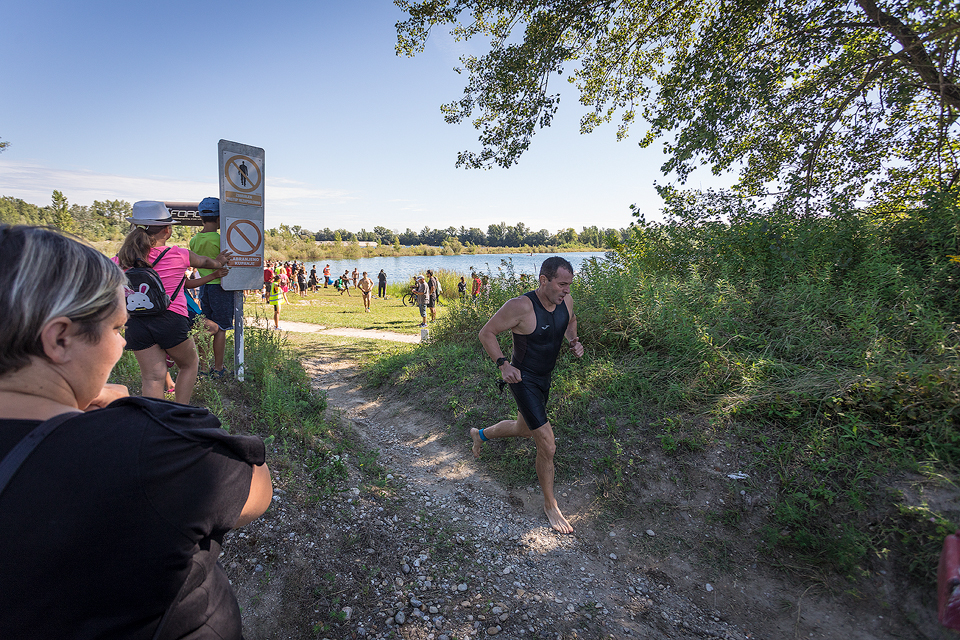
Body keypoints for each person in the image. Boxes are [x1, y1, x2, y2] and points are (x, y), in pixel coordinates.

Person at [0, 224, 272, 639]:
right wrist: (147, 421)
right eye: (114, 329)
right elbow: (256, 488)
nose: (122, 344)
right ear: (59, 338)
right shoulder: (149, 448)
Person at [473, 257, 584, 534]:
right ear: (543, 281)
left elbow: (571, 321)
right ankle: (550, 505)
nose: (566, 291)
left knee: (524, 429)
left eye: (569, 285)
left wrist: (574, 340)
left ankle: (480, 434)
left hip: (546, 377)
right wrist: (503, 365)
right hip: (523, 379)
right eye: (561, 284)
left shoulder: (565, 301)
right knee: (547, 444)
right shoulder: (520, 306)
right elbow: (486, 333)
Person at [115, 201, 230, 405]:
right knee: (189, 365)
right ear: (167, 230)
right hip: (171, 319)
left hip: (136, 323)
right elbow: (206, 262)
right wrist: (219, 262)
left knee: (152, 377)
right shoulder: (178, 254)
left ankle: (156, 422)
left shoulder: (121, 259)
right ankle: (179, 412)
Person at [188, 197, 234, 379]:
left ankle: (204, 367)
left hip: (204, 286)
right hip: (221, 287)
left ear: (201, 217)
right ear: (219, 218)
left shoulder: (194, 240)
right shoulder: (223, 239)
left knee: (204, 326)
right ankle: (219, 367)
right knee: (220, 328)